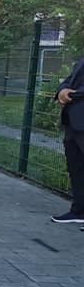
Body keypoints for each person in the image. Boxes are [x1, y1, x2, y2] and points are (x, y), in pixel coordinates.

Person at [52, 58, 84, 224]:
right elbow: (70, 80)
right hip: (73, 122)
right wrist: (61, 91)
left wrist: (69, 94)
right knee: (76, 169)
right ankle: (79, 211)